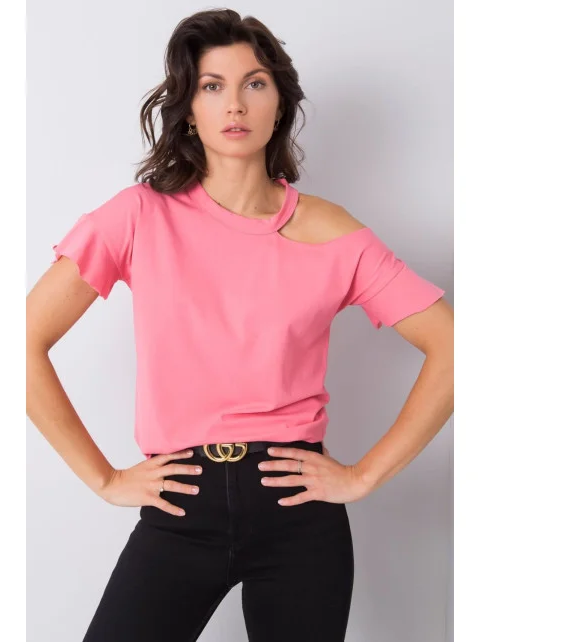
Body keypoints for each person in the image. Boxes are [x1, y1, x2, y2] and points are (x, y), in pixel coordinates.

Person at [26, 8, 454, 641]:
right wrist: (105, 479)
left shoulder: (332, 232)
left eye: (254, 83)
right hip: (180, 506)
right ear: (188, 109)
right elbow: (22, 342)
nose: (235, 104)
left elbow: (453, 346)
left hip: (298, 515)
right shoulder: (138, 216)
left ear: (280, 103)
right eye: (212, 85)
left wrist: (364, 475)